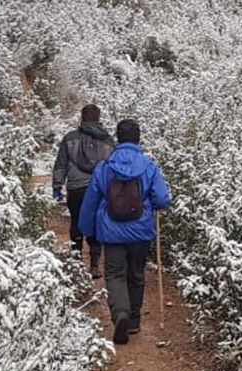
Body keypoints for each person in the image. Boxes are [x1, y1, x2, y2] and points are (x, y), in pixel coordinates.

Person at [79, 118, 171, 344]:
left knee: (115, 274)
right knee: (136, 274)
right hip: (140, 231)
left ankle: (120, 312)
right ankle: (133, 321)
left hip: (111, 232)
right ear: (138, 139)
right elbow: (162, 199)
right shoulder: (148, 167)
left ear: (118, 139)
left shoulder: (104, 167)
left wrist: (87, 229)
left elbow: (91, 200)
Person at [52, 104, 115, 276]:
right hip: (99, 189)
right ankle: (94, 265)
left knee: (76, 223)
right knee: (96, 224)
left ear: (81, 118)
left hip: (76, 188)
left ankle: (76, 262)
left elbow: (61, 164)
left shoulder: (70, 138)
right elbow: (113, 167)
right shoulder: (108, 140)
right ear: (99, 119)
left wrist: (57, 186)